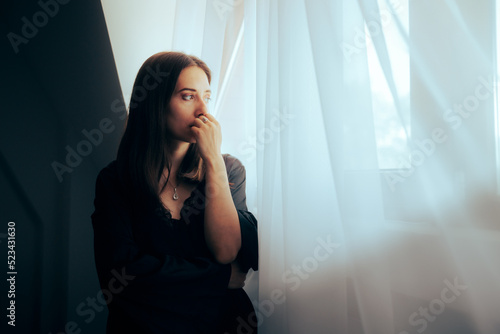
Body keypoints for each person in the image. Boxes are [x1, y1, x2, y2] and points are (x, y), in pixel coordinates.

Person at [91, 51, 258, 333]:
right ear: (156, 103)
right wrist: (216, 279)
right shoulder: (116, 180)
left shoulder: (228, 170)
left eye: (207, 96)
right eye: (188, 96)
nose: (203, 110)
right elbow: (122, 277)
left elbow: (227, 251)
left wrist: (214, 162)